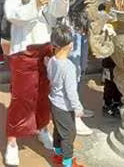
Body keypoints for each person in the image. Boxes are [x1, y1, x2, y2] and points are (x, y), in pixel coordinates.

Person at [2, 0, 69, 166]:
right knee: (22, 97)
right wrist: (34, 4)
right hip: (24, 49)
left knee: (44, 93)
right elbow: (12, 15)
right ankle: (12, 141)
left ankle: (42, 128)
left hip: (46, 46)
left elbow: (57, 12)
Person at [46, 23, 85, 167]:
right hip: (64, 107)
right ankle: (68, 162)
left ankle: (57, 154)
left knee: (58, 130)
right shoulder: (68, 67)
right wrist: (78, 107)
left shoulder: (52, 61)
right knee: (69, 134)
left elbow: (50, 78)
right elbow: (71, 92)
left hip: (54, 103)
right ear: (69, 45)